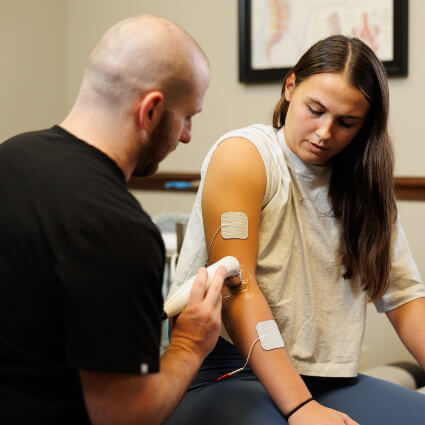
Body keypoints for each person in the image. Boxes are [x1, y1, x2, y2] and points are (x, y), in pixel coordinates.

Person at [165, 35, 425, 425]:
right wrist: (301, 408)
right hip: (230, 371)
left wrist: (310, 400)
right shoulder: (245, 155)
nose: (324, 132)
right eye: (315, 110)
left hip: (328, 380)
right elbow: (240, 285)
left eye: (346, 122)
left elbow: (404, 298)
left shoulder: (365, 186)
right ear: (290, 87)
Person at [0, 15, 226, 425]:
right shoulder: (120, 231)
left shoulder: (11, 154)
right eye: (187, 116)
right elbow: (126, 416)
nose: (189, 135)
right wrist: (191, 343)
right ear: (152, 111)